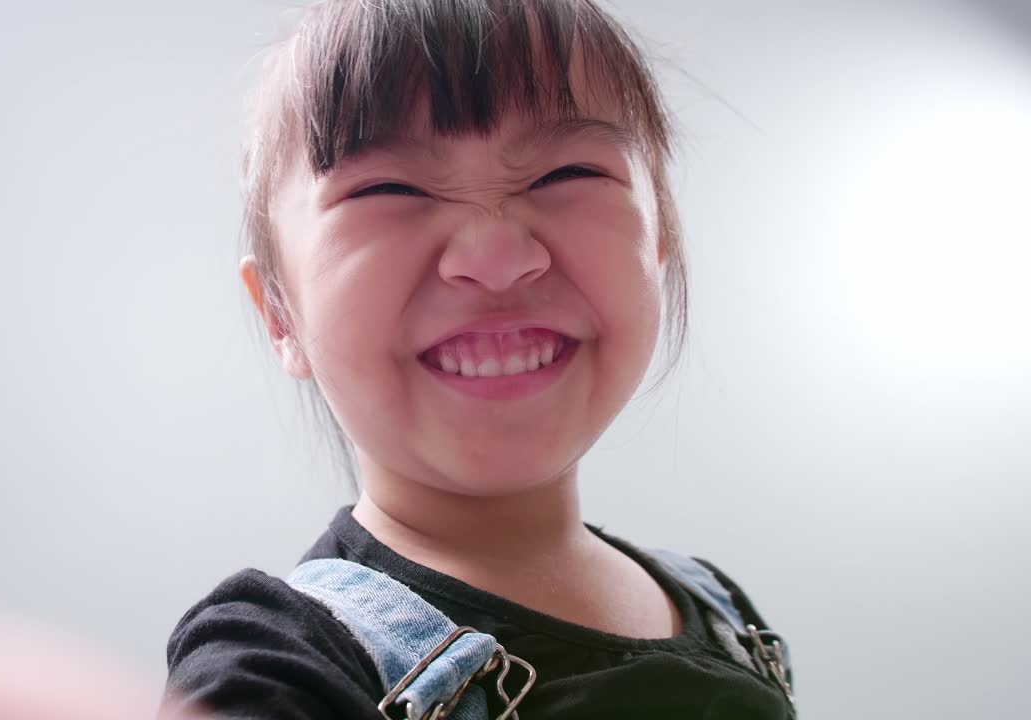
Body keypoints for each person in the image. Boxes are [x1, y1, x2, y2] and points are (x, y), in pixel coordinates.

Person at [165, 1, 795, 718]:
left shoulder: (720, 608)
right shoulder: (281, 661)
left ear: (659, 245)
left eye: (566, 174)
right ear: (281, 311)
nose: (496, 258)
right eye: (389, 189)